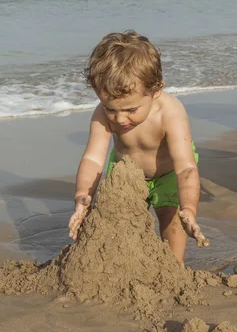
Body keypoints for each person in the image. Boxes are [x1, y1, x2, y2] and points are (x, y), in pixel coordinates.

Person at [68, 30, 209, 264]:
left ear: (155, 91)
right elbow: (93, 159)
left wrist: (190, 210)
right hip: (126, 173)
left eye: (131, 110)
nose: (120, 119)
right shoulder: (102, 113)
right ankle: (127, 265)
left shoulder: (170, 112)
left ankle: (173, 268)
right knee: (118, 219)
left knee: (172, 219)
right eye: (111, 109)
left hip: (168, 173)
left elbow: (185, 168)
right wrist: (82, 197)